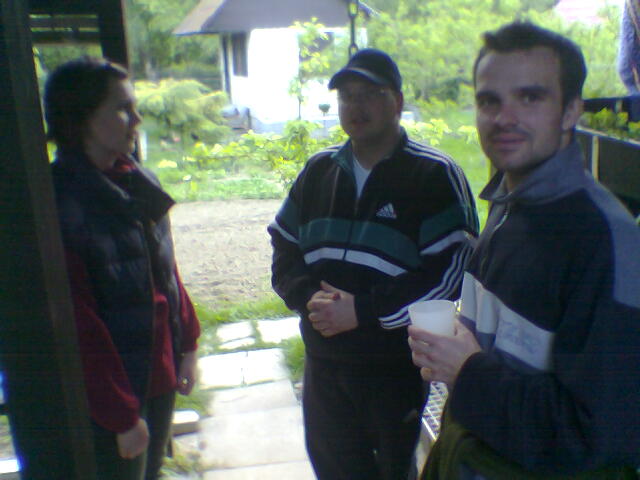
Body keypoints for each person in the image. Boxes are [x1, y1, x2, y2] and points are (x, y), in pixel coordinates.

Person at [408, 21, 640, 479]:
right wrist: (461, 342)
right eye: (489, 101)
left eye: (530, 97)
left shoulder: (606, 243)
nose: (504, 118)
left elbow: (595, 438)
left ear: (571, 111)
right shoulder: (506, 205)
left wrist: (468, 371)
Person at [268, 48, 479, 479]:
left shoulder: (433, 175)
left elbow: (450, 273)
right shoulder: (319, 171)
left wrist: (363, 310)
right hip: (324, 362)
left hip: (392, 368)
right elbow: (284, 247)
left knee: (391, 471)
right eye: (347, 96)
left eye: (369, 94)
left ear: (397, 102)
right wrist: (308, 299)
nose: (356, 106)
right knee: (334, 469)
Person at [44, 57, 200, 480]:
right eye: (122, 109)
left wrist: (188, 343)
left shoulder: (136, 179)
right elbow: (77, 321)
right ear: (82, 118)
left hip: (158, 372)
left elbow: (164, 269)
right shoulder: (60, 202)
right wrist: (122, 414)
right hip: (113, 395)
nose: (137, 119)